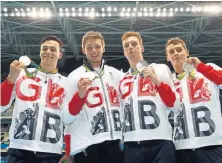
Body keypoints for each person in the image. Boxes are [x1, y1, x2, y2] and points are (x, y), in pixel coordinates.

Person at [59, 31, 124, 163]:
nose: (94, 51)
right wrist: (80, 95)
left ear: (103, 48)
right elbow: (66, 119)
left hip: (114, 146)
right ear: (83, 50)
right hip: (86, 147)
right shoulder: (74, 77)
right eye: (89, 47)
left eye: (97, 47)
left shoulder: (117, 75)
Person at [0, 35, 67, 163]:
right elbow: (1, 105)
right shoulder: (21, 74)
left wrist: (68, 150)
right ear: (40, 52)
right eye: (45, 48)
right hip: (18, 150)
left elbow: (71, 121)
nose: (48, 52)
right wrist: (10, 79)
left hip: (51, 152)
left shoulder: (66, 83)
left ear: (59, 54)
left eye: (53, 49)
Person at [119, 31, 180, 163]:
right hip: (132, 142)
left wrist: (157, 81)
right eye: (126, 45)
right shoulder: (122, 79)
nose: (130, 47)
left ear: (142, 48)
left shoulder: (160, 69)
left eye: (134, 44)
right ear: (124, 52)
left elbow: (175, 105)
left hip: (161, 140)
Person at [165, 37, 222, 163]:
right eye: (171, 52)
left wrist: (201, 66)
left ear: (187, 52)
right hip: (182, 147)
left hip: (212, 144)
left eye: (179, 50)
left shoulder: (206, 71)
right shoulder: (168, 82)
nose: (176, 53)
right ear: (167, 57)